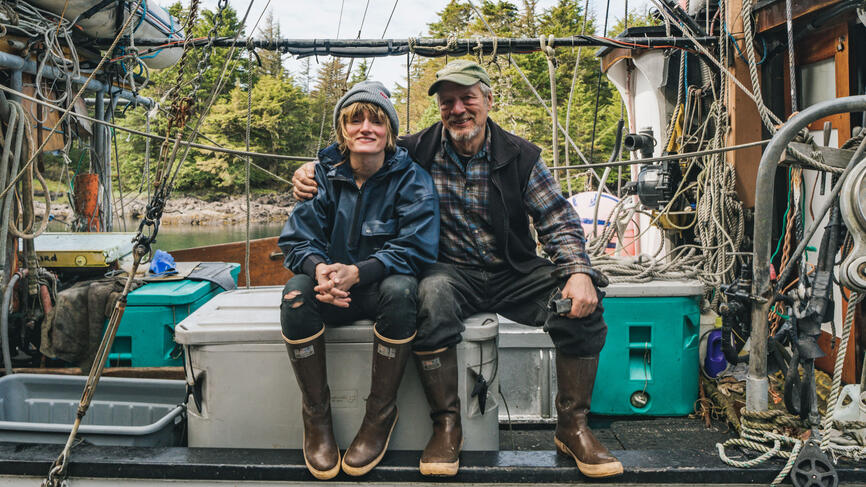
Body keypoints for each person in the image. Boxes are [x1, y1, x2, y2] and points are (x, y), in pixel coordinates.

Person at [292, 61, 622, 479]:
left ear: (487, 100)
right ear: (440, 109)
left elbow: (557, 219)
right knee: (429, 296)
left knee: (582, 303)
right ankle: (446, 426)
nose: (459, 109)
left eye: (468, 98)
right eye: (448, 101)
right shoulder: (415, 150)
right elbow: (358, 144)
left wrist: (577, 270)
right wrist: (309, 171)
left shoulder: (521, 156)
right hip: (450, 272)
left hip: (513, 271)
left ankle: (572, 427)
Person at [278, 80, 439, 479]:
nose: (365, 127)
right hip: (327, 290)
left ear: (390, 132)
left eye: (376, 120)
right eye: (355, 120)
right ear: (342, 131)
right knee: (294, 295)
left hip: (378, 292)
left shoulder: (412, 179)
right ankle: (316, 419)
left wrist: (357, 272)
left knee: (404, 290)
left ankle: (379, 415)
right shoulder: (321, 177)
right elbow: (297, 241)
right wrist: (319, 270)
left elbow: (417, 246)